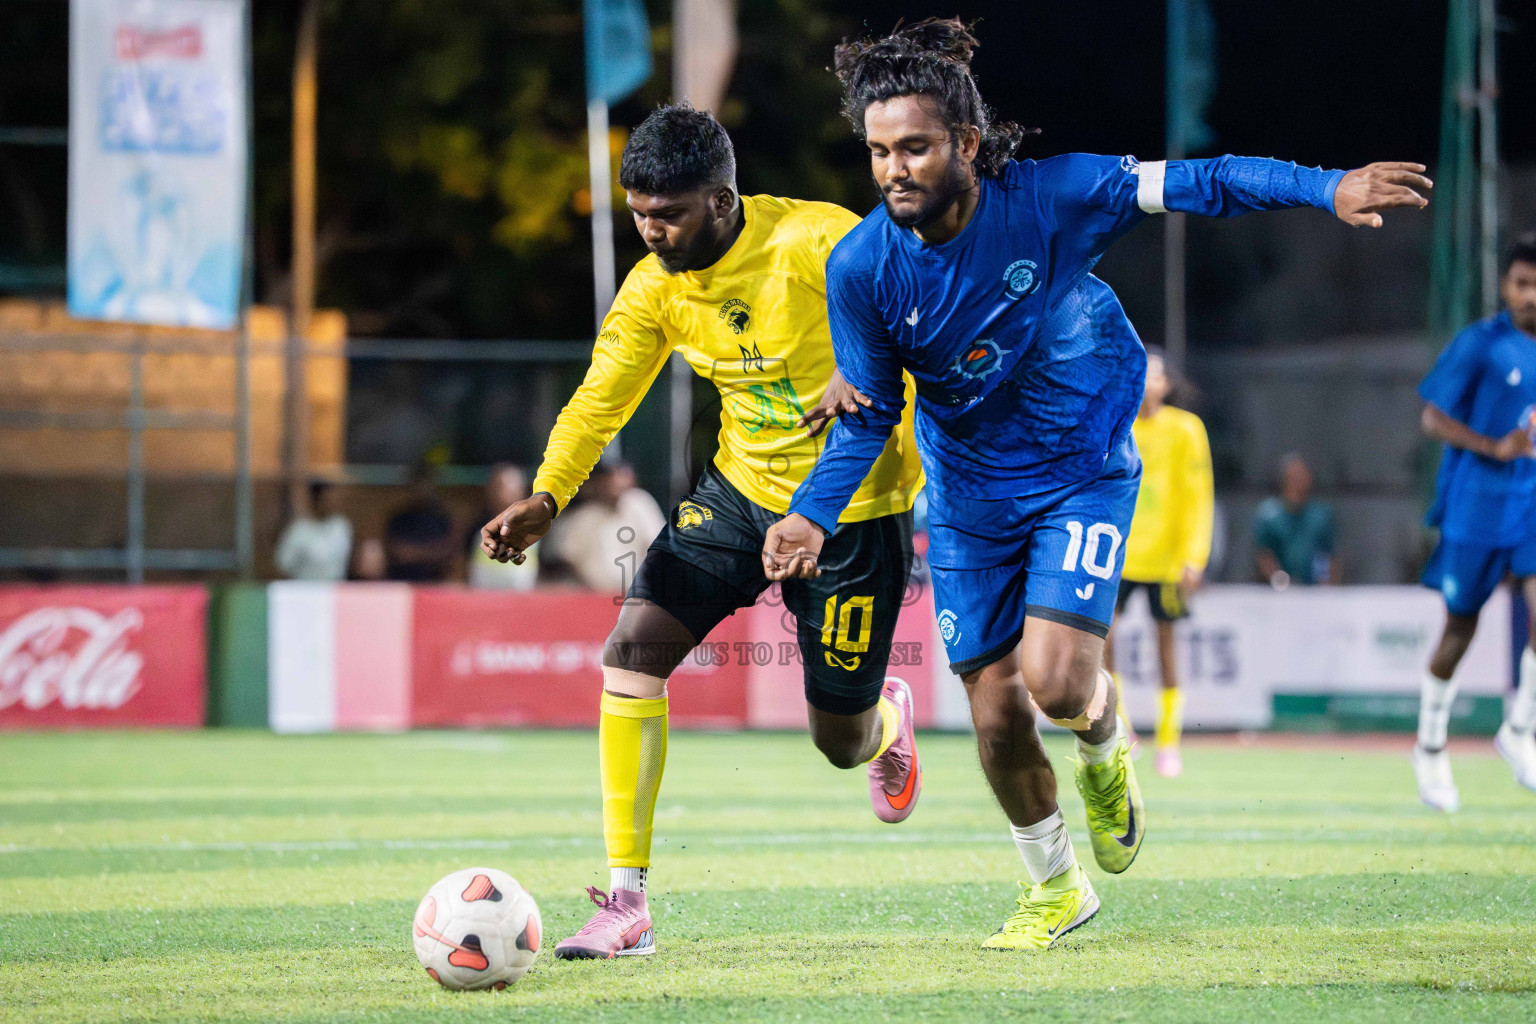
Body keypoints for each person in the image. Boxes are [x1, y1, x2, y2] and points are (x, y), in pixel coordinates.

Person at [762, 18, 1428, 949]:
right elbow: (869, 407)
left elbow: (1200, 180)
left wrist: (1325, 187)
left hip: (1080, 472)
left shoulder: (1058, 195)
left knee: (1058, 684)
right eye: (878, 152)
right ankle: (1056, 888)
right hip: (967, 501)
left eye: (914, 147)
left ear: (966, 142)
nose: (893, 170)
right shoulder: (862, 267)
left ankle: (1105, 739)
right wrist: (810, 515)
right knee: (994, 713)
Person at [480, 105, 925, 960]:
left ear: (721, 201)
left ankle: (883, 724)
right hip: (738, 496)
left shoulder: (813, 243)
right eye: (639, 212)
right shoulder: (655, 289)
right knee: (631, 653)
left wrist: (866, 357)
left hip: (853, 514)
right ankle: (626, 902)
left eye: (669, 213)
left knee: (840, 743)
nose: (652, 230)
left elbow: (925, 294)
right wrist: (549, 495)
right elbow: (599, 399)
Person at [1413, 233, 1536, 812]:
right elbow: (1433, 419)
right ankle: (1431, 746)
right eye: (1521, 284)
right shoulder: (1482, 345)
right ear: (1506, 286)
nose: (1530, 295)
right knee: (1459, 631)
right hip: (1477, 503)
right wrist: (1495, 446)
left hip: (1532, 502)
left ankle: (1519, 729)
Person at [1104, 347, 1214, 778]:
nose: (1147, 381)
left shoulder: (1186, 430)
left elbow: (1198, 496)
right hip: (1118, 553)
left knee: (1166, 647)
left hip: (1167, 559)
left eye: (1155, 374)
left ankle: (1169, 743)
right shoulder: (1117, 422)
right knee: (1102, 642)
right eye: (1141, 372)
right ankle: (1123, 729)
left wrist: (1195, 556)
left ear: (1167, 384)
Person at [540, 462, 665, 592]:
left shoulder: (639, 504)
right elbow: (568, 559)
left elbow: (659, 549)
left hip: (638, 595)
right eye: (608, 477)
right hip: (594, 596)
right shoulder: (584, 517)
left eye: (619, 475)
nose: (614, 482)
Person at [1252, 453, 1336, 586]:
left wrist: (1325, 583)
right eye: (1293, 477)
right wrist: (1279, 580)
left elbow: (1327, 554)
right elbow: (1263, 555)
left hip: (1313, 589)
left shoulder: (1320, 515)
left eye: (1302, 476)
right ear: (1284, 479)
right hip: (1275, 589)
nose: (1298, 482)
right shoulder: (1268, 513)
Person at [466, 463, 539, 590]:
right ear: (490, 490)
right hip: (483, 602)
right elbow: (461, 565)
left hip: (523, 604)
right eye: (501, 487)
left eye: (513, 487)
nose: (508, 492)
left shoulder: (537, 528)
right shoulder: (477, 527)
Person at [384, 465, 458, 583]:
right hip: (400, 580)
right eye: (419, 484)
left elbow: (447, 551)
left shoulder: (442, 518)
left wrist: (415, 553)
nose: (423, 489)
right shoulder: (400, 518)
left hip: (435, 582)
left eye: (427, 483)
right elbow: (399, 552)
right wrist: (430, 552)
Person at [274, 481, 353, 581]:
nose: (332, 502)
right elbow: (283, 567)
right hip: (306, 592)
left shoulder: (342, 526)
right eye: (327, 498)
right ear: (316, 499)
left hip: (336, 592)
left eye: (334, 497)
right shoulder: (299, 530)